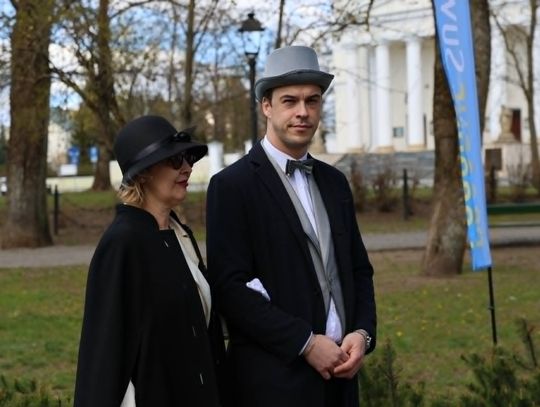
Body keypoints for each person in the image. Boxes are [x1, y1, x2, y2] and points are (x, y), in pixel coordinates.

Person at [206, 45, 377, 407]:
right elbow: (229, 289)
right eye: (290, 101)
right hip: (274, 385)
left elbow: (359, 270)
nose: (303, 112)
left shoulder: (335, 182)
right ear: (266, 106)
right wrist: (305, 343)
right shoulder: (232, 186)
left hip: (342, 383)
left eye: (312, 101)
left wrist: (362, 333)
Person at [74, 115, 229, 407]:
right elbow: (104, 353)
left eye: (187, 158)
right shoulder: (122, 243)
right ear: (144, 174)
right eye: (175, 160)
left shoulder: (180, 234)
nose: (187, 168)